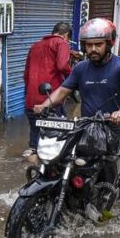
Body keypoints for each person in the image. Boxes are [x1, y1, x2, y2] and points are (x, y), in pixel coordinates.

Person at [33, 18, 120, 207]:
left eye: (98, 44)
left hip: (114, 122)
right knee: (62, 153)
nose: (92, 49)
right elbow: (62, 91)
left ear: (109, 43)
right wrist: (44, 105)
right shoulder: (80, 68)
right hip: (87, 123)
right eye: (88, 45)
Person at [22, 21, 73, 158]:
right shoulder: (61, 43)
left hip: (31, 98)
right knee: (60, 132)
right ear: (66, 35)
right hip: (50, 97)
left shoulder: (35, 45)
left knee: (35, 131)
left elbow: (25, 75)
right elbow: (62, 66)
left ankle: (33, 150)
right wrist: (73, 75)